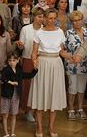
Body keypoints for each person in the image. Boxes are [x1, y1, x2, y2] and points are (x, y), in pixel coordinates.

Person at [28, 8, 71, 137]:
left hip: (56, 64)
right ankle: (39, 127)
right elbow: (34, 52)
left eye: (54, 18)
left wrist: (70, 57)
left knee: (54, 95)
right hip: (43, 64)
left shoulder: (60, 32)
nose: (52, 21)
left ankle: (51, 127)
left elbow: (61, 51)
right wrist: (34, 61)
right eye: (50, 18)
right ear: (45, 19)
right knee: (41, 95)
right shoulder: (39, 33)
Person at [0, 51, 38, 137]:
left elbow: (28, 76)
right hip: (6, 95)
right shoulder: (5, 70)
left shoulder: (19, 70)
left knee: (14, 114)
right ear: (7, 61)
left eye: (14, 60)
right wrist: (11, 82)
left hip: (15, 95)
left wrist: (35, 69)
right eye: (10, 60)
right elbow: (3, 78)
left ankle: (12, 133)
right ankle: (6, 133)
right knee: (5, 114)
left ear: (17, 60)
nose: (12, 62)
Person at [18, 7, 44, 122]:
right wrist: (20, 46)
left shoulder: (45, 29)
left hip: (41, 60)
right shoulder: (26, 29)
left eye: (42, 16)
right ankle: (27, 110)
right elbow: (21, 45)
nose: (41, 19)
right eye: (39, 16)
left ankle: (37, 110)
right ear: (33, 17)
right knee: (28, 86)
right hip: (28, 59)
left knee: (39, 85)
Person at [64, 11, 87, 120]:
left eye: (79, 20)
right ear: (72, 22)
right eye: (75, 20)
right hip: (72, 63)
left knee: (81, 88)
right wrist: (70, 57)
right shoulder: (68, 33)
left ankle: (80, 108)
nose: (77, 22)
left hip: (84, 64)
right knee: (72, 87)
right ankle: (71, 109)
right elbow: (63, 49)